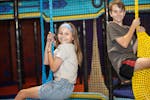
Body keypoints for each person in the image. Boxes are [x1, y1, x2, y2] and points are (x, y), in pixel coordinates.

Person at [15, 22, 83, 100]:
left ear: (73, 37)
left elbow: (53, 68)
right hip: (65, 88)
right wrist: (49, 42)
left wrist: (49, 51)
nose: (63, 36)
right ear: (57, 35)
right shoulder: (67, 48)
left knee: (22, 93)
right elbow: (46, 62)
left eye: (66, 34)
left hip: (60, 87)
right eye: (61, 33)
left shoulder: (65, 48)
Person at [107, 0, 150, 82]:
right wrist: (133, 27)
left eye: (121, 11)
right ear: (111, 14)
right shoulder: (111, 26)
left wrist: (139, 36)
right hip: (123, 63)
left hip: (132, 60)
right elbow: (124, 44)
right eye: (115, 12)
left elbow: (132, 50)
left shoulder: (127, 29)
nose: (118, 14)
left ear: (124, 12)